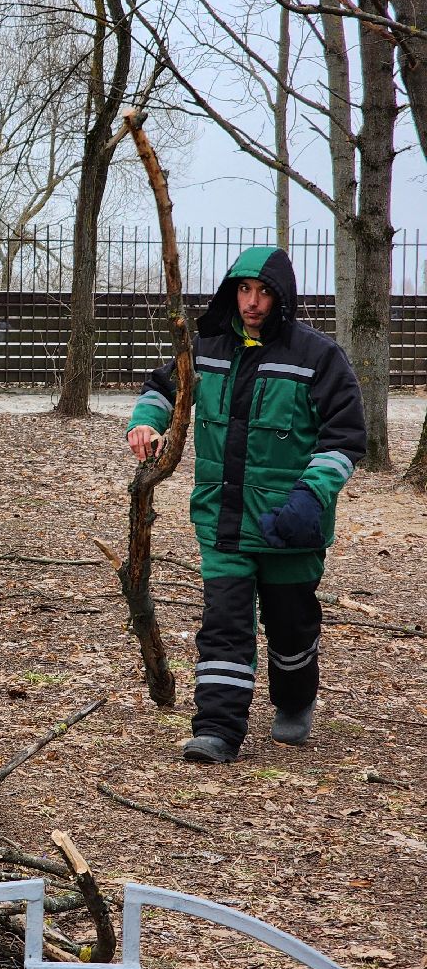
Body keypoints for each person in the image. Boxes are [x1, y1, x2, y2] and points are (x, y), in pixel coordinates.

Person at [125, 246, 366, 763]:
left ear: (282, 297)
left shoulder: (318, 356)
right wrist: (146, 421)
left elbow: (345, 438)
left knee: (291, 627)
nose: (252, 303)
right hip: (222, 518)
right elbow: (164, 389)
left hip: (291, 525)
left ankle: (296, 699)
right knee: (225, 624)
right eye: (243, 290)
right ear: (231, 292)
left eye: (263, 292)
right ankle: (217, 729)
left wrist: (311, 495)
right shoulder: (205, 347)